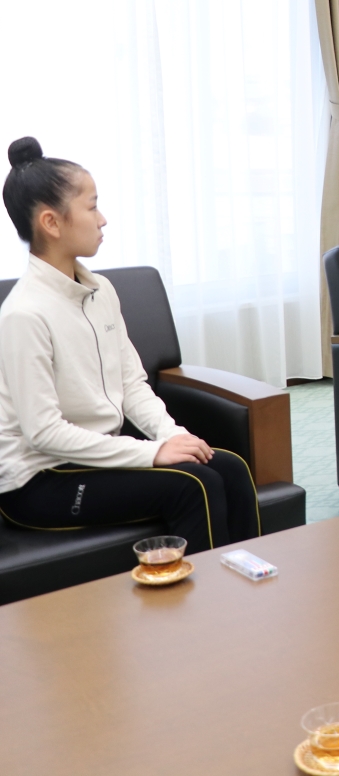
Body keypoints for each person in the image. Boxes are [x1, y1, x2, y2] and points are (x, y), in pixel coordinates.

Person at [0, 138, 259, 553]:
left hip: (95, 458)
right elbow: (44, 434)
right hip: (39, 480)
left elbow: (133, 383)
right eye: (91, 206)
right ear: (52, 222)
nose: (103, 219)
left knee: (226, 466)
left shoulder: (100, 290)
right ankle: (214, 613)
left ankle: (253, 591)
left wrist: (174, 437)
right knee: (195, 486)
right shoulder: (24, 315)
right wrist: (153, 452)